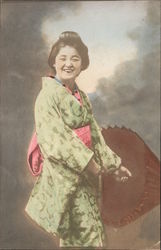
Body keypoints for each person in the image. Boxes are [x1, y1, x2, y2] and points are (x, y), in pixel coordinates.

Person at [25, 31, 132, 248]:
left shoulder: (80, 96)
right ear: (54, 61)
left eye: (75, 58)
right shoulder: (47, 97)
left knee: (86, 234)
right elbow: (57, 142)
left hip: (86, 177)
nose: (68, 64)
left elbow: (94, 134)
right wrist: (89, 163)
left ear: (82, 63)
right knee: (84, 236)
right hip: (65, 179)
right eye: (63, 58)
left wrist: (114, 166)